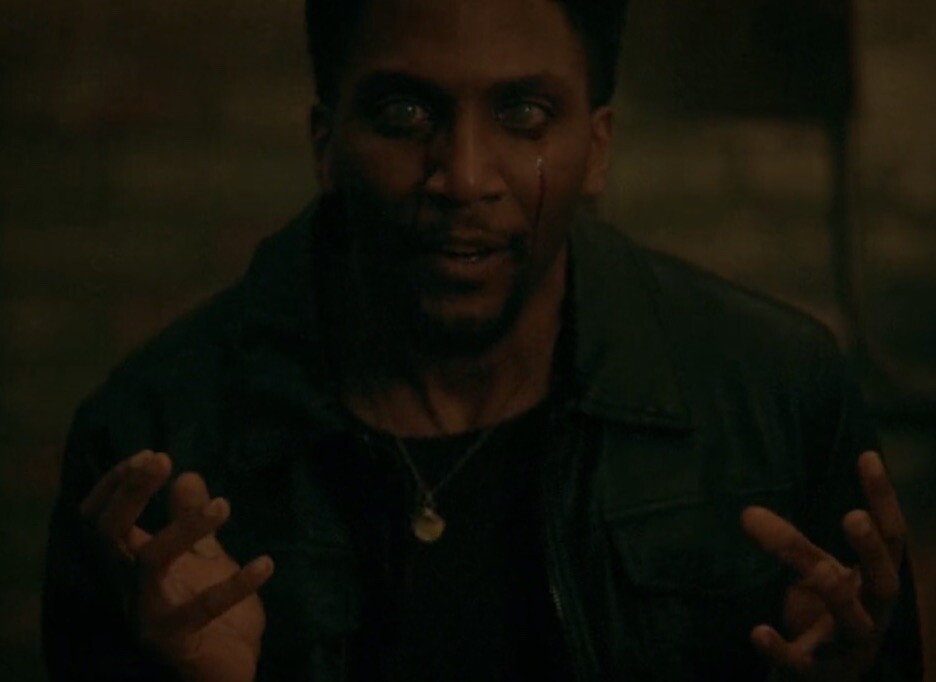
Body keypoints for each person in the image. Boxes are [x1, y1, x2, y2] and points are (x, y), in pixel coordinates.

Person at [42, 0, 923, 680]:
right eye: (402, 111)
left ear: (597, 149)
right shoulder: (152, 440)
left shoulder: (779, 396)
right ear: (325, 144)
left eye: (525, 113)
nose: (463, 177)